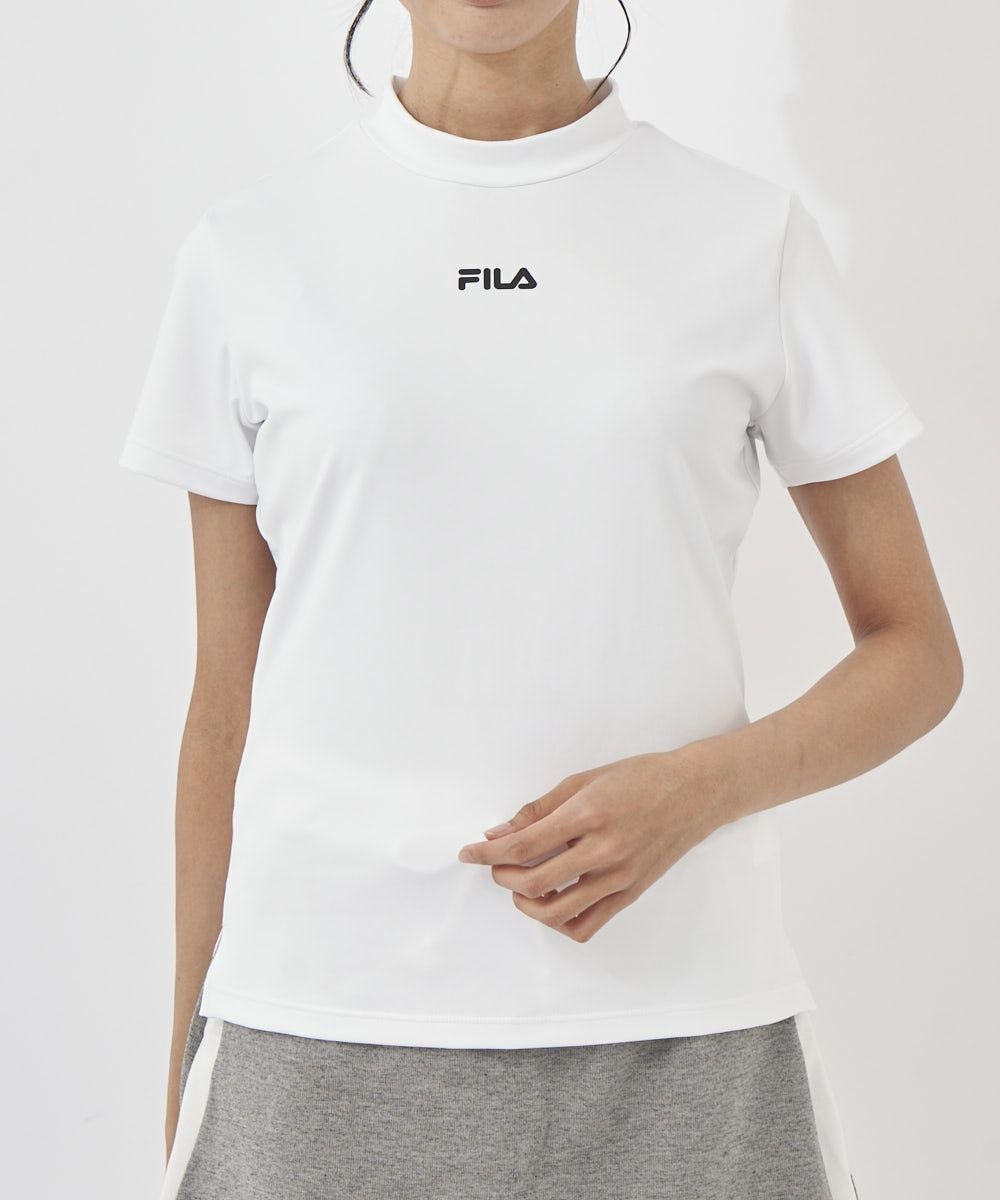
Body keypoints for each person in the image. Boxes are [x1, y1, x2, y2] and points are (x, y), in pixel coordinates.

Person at [118, 2, 962, 1198]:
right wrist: (187, 1065)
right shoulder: (250, 251)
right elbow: (224, 708)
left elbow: (916, 650)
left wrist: (698, 790)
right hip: (317, 1035)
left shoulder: (744, 236)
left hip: (682, 1032)